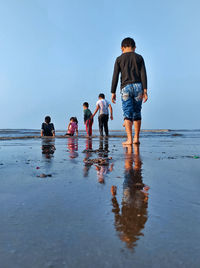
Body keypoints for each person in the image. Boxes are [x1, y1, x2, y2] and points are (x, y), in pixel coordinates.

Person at [111, 37, 148, 145]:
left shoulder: (119, 59)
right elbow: (143, 74)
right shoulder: (139, 57)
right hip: (138, 86)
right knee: (137, 112)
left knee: (127, 113)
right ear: (134, 47)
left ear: (122, 48)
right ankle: (136, 138)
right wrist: (145, 90)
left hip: (125, 87)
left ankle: (129, 139)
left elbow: (115, 76)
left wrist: (112, 92)